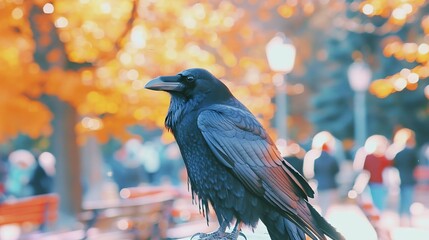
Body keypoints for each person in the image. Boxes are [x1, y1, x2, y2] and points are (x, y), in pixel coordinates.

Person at [304, 132, 340, 216]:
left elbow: (309, 174)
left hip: (317, 185)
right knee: (326, 208)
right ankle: (324, 222)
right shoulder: (332, 157)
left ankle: (321, 222)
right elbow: (336, 170)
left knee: (319, 207)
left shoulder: (312, 156)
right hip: (330, 185)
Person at [392, 128, 419, 226]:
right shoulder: (411, 152)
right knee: (408, 200)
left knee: (401, 201)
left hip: (399, 178)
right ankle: (408, 220)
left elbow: (393, 165)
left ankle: (400, 220)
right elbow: (415, 164)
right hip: (409, 178)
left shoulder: (396, 152)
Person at [362, 135, 392, 212]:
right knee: (379, 203)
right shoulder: (384, 158)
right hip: (379, 183)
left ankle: (376, 218)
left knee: (374, 203)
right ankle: (378, 217)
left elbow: (364, 169)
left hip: (372, 182)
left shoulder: (369, 157)